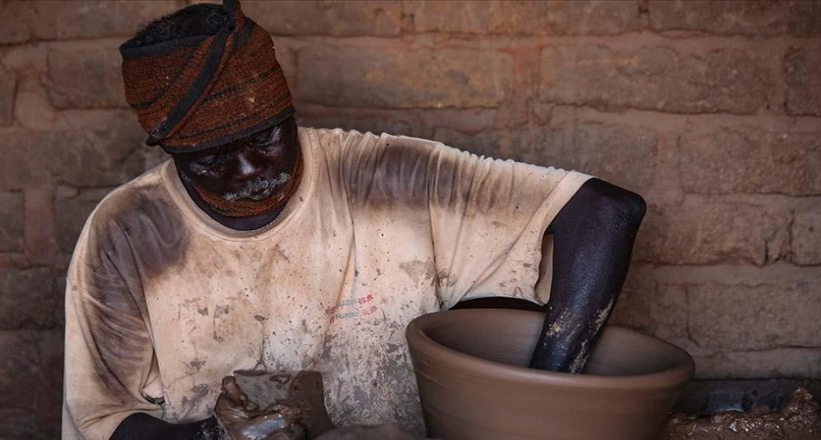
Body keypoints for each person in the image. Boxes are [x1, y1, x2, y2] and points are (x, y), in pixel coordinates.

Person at [62, 1, 646, 439]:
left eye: (266, 137)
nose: (247, 170)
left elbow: (605, 211)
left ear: (288, 111)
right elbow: (104, 419)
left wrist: (544, 398)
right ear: (169, 151)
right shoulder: (126, 233)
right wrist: (213, 437)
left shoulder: (384, 175)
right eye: (211, 158)